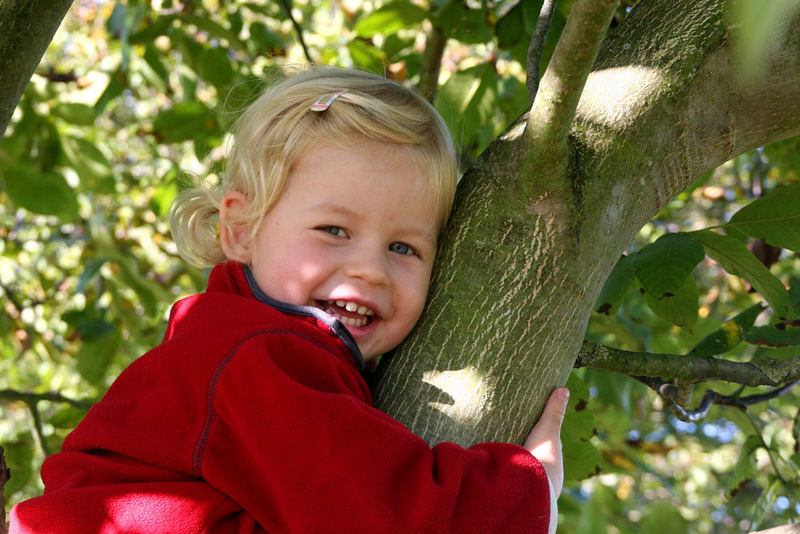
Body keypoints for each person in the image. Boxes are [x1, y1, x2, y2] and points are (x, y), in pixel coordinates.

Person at [9, 67, 569, 533]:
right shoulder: (257, 354)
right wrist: (527, 492)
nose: (370, 268)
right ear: (242, 231)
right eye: (333, 230)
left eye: (404, 246)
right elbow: (376, 514)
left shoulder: (252, 346)